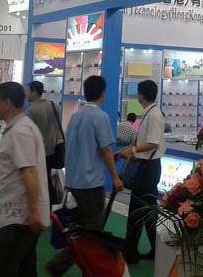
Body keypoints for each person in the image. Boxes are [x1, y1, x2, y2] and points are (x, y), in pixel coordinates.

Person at [47, 76, 123, 275]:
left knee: (78, 230)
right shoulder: (100, 117)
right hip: (91, 185)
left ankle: (67, 265)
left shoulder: (75, 116)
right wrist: (115, 177)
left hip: (73, 182)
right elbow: (105, 149)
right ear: (103, 93)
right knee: (91, 231)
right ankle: (61, 264)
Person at [0, 82, 49, 277]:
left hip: (19, 219)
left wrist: (33, 211)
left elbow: (29, 172)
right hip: (20, 216)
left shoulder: (21, 131)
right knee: (24, 270)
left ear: (8, 103)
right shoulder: (18, 128)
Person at [116, 79, 165, 265]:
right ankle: (154, 250)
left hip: (148, 168)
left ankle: (131, 252)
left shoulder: (153, 115)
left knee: (138, 211)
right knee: (147, 211)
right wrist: (128, 152)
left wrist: (134, 150)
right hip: (147, 167)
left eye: (138, 92)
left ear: (141, 95)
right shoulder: (149, 113)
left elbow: (153, 143)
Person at [26, 81, 62, 208]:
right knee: (47, 178)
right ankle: (49, 207)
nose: (26, 93)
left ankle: (43, 207)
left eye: (28, 91)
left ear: (35, 92)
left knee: (39, 181)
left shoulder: (31, 111)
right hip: (54, 149)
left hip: (38, 152)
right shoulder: (54, 105)